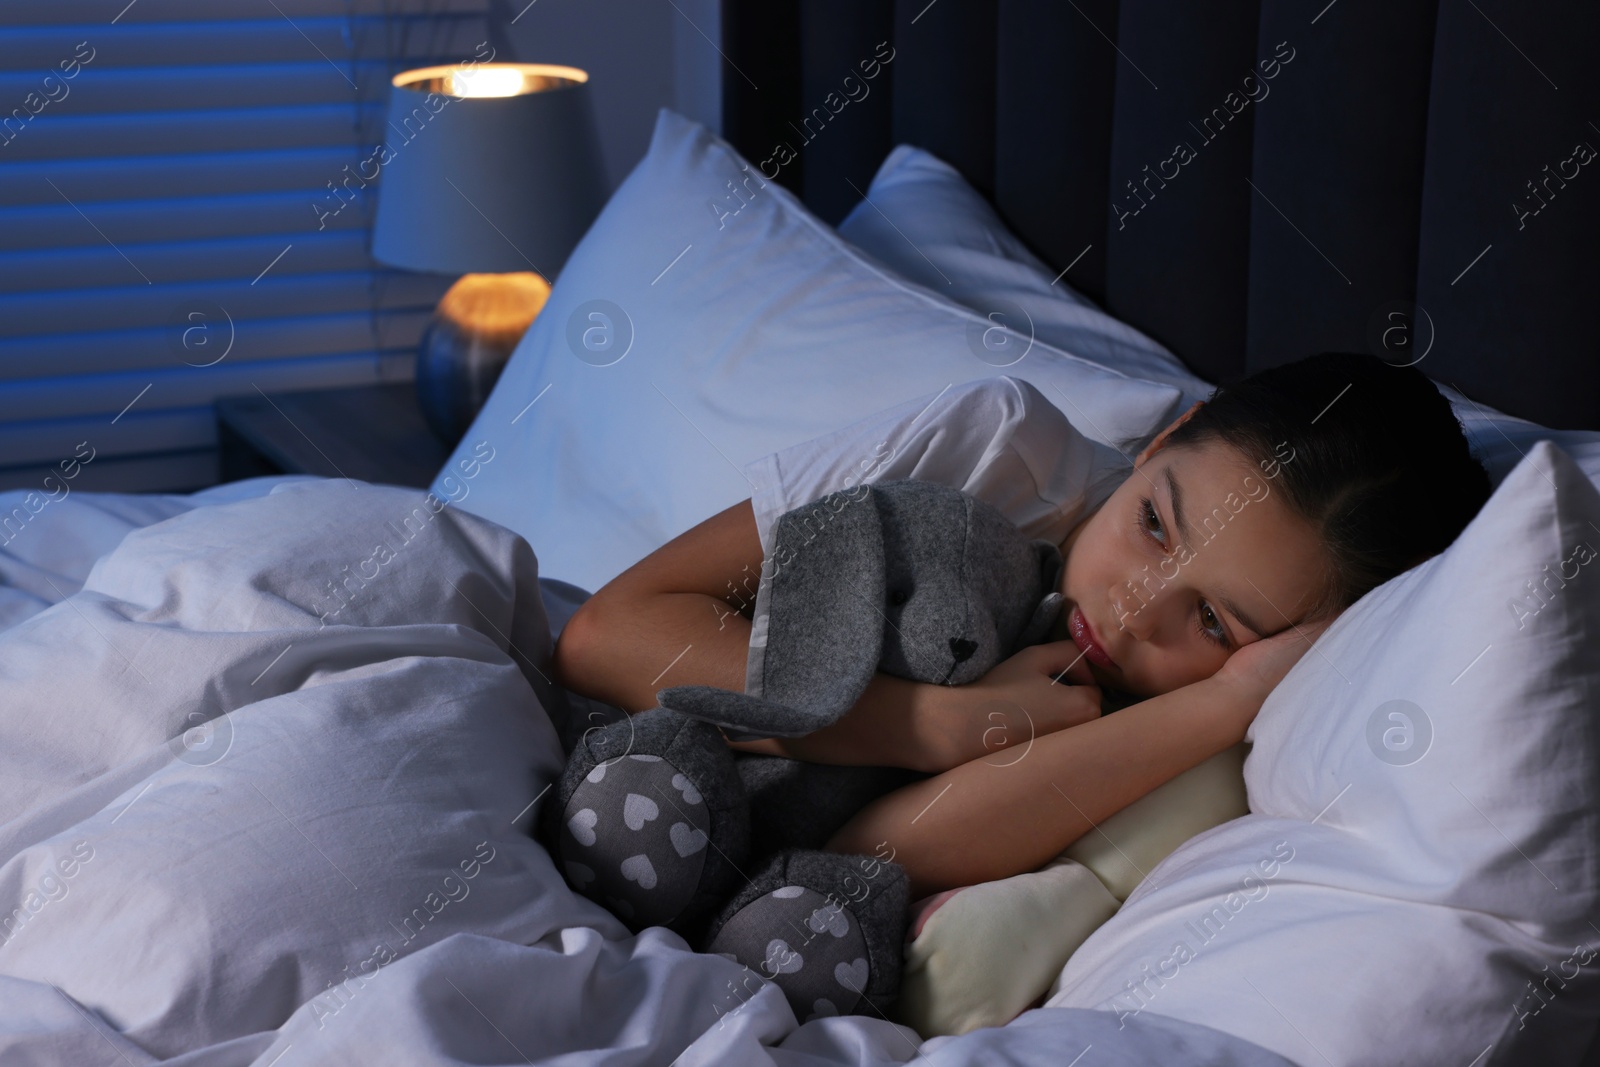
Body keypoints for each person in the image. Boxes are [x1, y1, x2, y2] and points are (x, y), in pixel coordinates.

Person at [551, 352, 1491, 901]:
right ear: (1163, 440)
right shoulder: (996, 452)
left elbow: (861, 857)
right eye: (1154, 522)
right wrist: (937, 722)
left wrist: (1231, 700)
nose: (1132, 609)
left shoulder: (1197, 735)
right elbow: (607, 635)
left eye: (1210, 617)